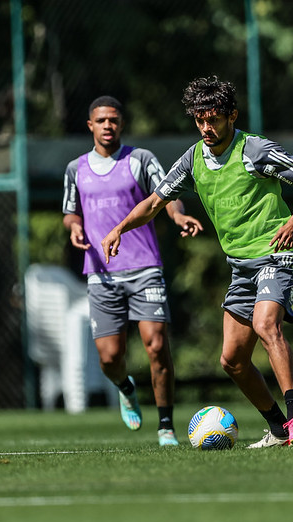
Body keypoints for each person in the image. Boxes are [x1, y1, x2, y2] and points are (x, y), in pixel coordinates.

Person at [101, 76, 293, 448]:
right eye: (199, 120)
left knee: (265, 323)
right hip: (241, 267)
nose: (206, 127)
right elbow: (155, 203)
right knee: (232, 360)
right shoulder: (192, 160)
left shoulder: (255, 150)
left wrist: (292, 223)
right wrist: (119, 229)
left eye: (214, 120)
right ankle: (277, 427)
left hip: (279, 255)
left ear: (231, 116)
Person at [62, 96, 203, 446]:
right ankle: (126, 387)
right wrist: (74, 226)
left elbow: (165, 195)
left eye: (114, 120)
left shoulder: (140, 160)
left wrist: (178, 215)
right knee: (110, 358)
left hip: (144, 269)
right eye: (101, 120)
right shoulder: (75, 169)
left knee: (156, 346)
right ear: (90, 125)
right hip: (102, 274)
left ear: (121, 124)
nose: (108, 125)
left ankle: (166, 425)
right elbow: (70, 211)